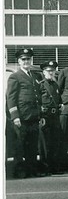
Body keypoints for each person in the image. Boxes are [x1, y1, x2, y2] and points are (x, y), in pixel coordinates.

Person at [6, 48, 44, 178]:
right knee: (20, 145)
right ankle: (19, 171)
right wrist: (15, 116)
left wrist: (40, 115)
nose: (26, 61)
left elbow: (37, 97)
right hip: (22, 117)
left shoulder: (34, 76)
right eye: (23, 59)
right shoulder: (14, 76)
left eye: (28, 59)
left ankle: (31, 170)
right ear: (19, 61)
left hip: (33, 116)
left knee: (32, 146)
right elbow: (11, 98)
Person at [39, 60, 64, 175]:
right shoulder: (41, 85)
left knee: (55, 142)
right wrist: (41, 116)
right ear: (44, 72)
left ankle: (54, 167)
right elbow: (38, 101)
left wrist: (61, 104)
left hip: (55, 116)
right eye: (48, 71)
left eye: (52, 71)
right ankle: (45, 167)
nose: (51, 73)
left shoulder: (55, 85)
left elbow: (58, 99)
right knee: (45, 143)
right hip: (46, 116)